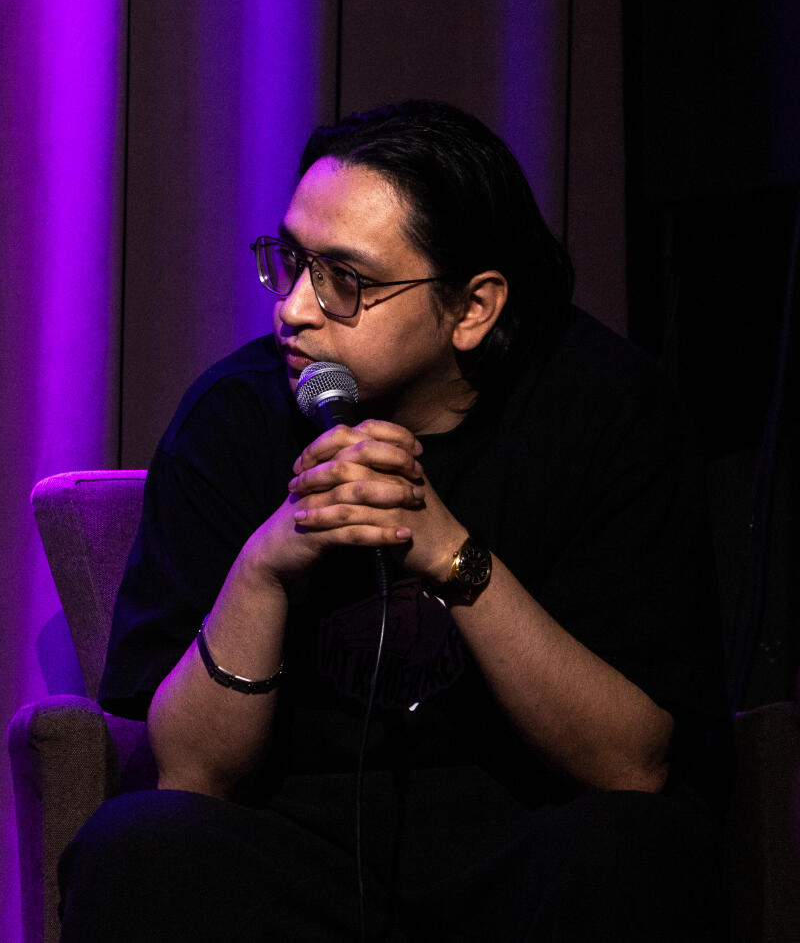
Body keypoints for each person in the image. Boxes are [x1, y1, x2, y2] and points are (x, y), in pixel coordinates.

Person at [58, 100, 731, 942]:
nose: (295, 308)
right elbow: (190, 773)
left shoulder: (605, 413)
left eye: (347, 279)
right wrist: (265, 565)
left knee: (643, 850)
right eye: (292, 261)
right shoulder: (232, 419)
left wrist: (451, 553)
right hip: (299, 846)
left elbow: (632, 763)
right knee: (137, 847)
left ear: (473, 308)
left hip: (525, 842)